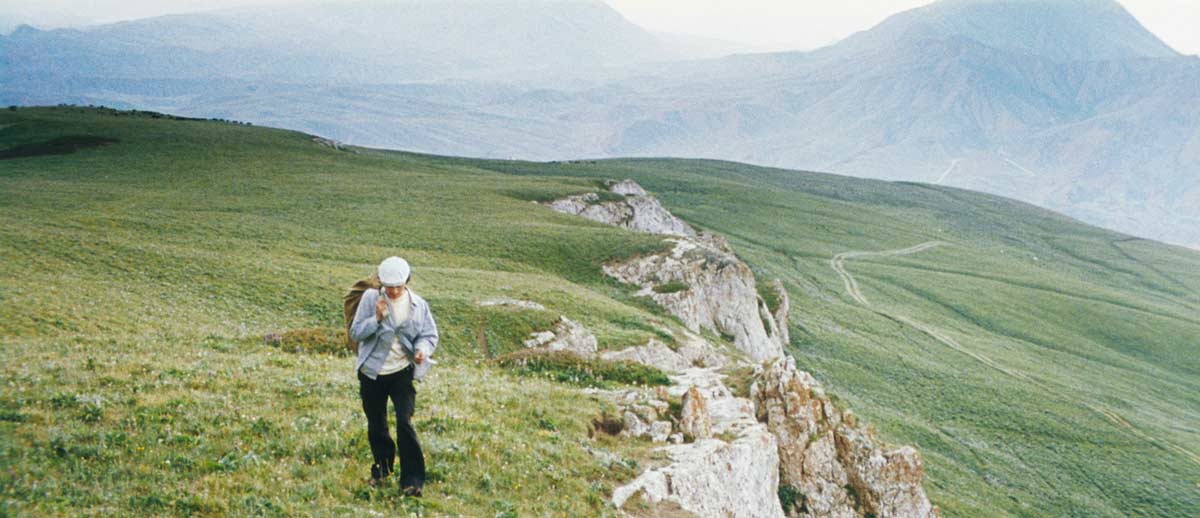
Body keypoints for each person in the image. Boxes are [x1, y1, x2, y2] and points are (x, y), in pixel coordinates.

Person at [349, 256, 439, 495]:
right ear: (381, 283)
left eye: (399, 286)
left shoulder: (418, 305)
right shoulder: (370, 299)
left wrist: (422, 350)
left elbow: (429, 335)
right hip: (372, 373)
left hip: (402, 373)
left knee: (404, 422)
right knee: (377, 425)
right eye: (390, 287)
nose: (395, 291)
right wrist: (376, 318)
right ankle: (382, 472)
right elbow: (356, 333)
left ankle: (412, 481)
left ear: (407, 281)